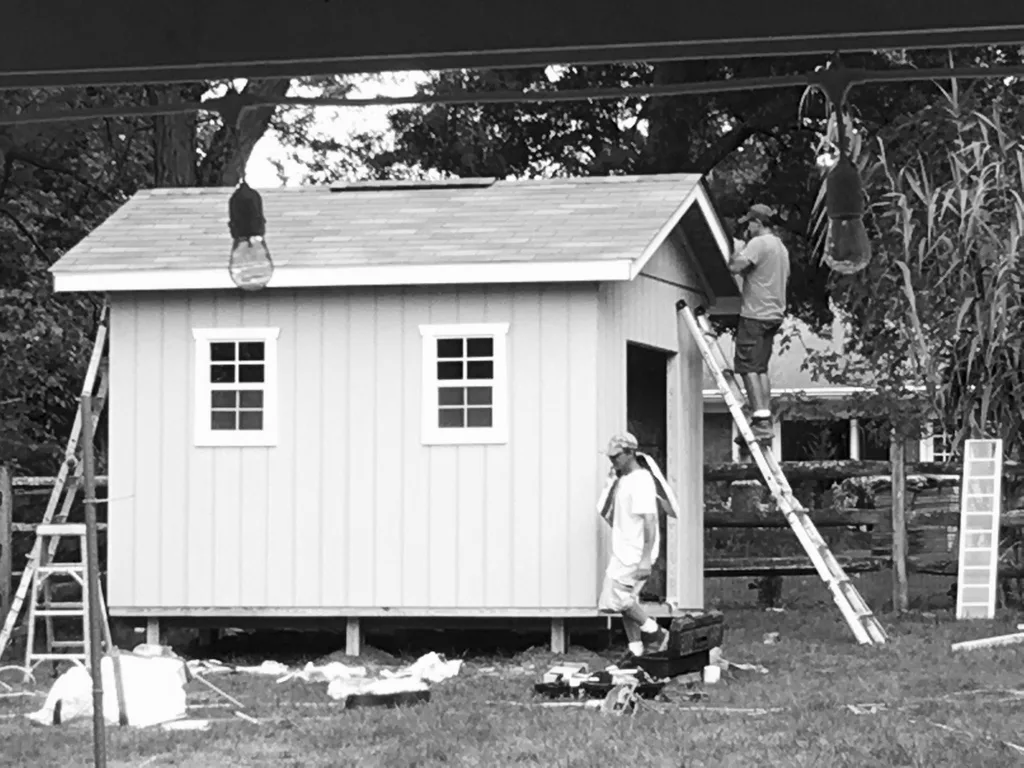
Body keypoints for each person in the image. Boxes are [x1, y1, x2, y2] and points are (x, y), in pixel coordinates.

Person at [597, 432, 670, 658]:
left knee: (617, 598)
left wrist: (646, 558)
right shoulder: (624, 479)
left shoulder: (641, 481)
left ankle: (657, 633)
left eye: (617, 456)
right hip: (623, 550)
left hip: (635, 553)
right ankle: (636, 650)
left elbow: (649, 520)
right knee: (626, 602)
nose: (613, 461)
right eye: (610, 457)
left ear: (630, 453)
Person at [729, 203, 790, 445]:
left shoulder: (758, 243)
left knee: (747, 367)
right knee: (761, 367)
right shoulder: (779, 247)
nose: (748, 228)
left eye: (750, 223)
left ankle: (761, 423)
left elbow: (735, 266)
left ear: (758, 223)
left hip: (755, 313)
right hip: (774, 313)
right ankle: (763, 418)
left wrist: (737, 249)